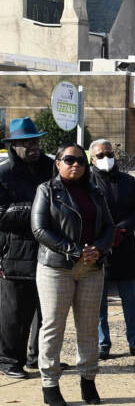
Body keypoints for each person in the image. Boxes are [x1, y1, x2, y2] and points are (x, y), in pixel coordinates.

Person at [31, 143, 115, 406]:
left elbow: (109, 227)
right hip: (56, 268)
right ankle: (50, 383)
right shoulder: (46, 190)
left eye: (81, 160)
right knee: (54, 326)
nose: (75, 164)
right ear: (58, 163)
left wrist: (98, 249)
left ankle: (88, 380)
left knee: (89, 327)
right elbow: (40, 229)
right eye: (69, 159)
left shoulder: (95, 191)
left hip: (91, 267)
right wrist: (75, 250)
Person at [0, 117, 54, 379]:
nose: (33, 146)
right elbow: (1, 215)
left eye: (35, 141)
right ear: (14, 145)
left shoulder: (51, 167)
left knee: (48, 312)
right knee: (15, 313)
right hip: (16, 253)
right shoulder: (4, 174)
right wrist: (36, 210)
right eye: (26, 143)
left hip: (50, 251)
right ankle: (9, 360)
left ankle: (38, 357)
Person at [89, 139, 135, 361]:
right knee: (99, 300)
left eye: (108, 153)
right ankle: (102, 342)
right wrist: (105, 234)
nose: (106, 158)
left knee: (130, 300)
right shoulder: (87, 182)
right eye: (100, 155)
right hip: (98, 248)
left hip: (125, 246)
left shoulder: (128, 181)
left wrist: (121, 230)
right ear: (92, 159)